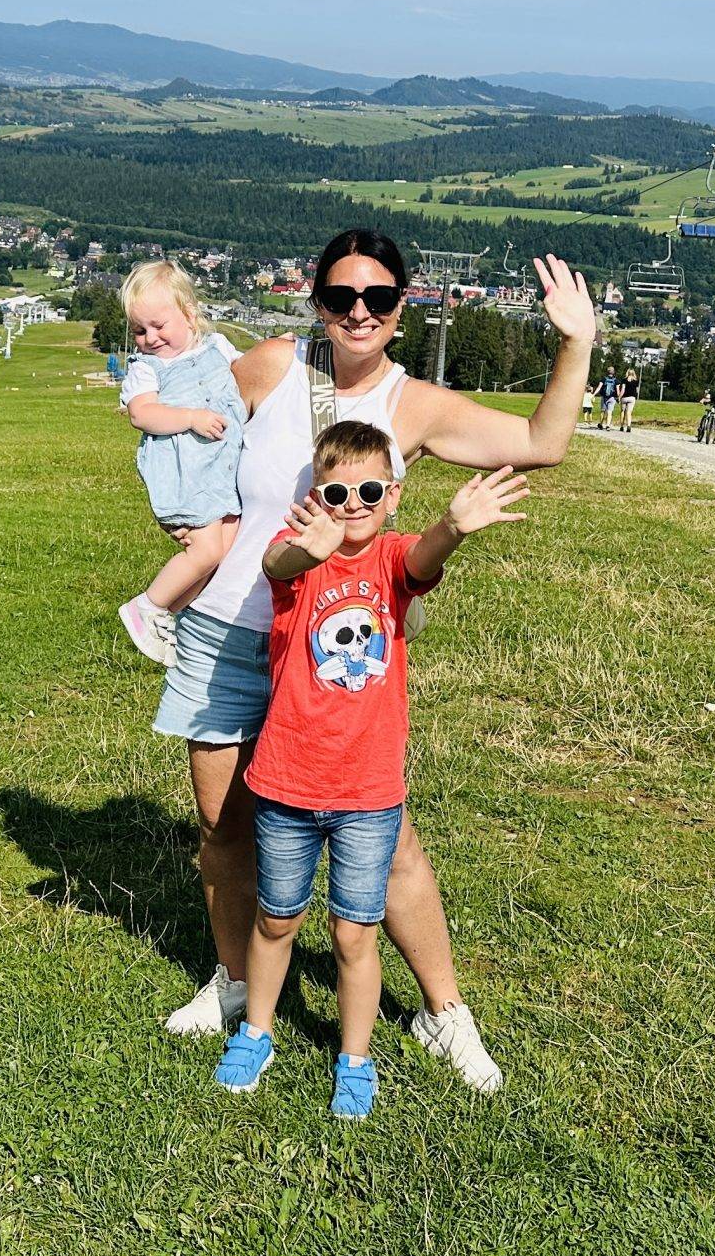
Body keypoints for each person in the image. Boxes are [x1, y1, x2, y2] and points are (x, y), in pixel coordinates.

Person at [154, 229, 596, 1095]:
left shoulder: (415, 403)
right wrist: (187, 519)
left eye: (380, 298)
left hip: (332, 652)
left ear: (402, 306)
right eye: (342, 296)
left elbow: (545, 441)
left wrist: (575, 341)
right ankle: (237, 984)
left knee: (386, 845)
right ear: (316, 300)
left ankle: (443, 1013)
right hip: (227, 631)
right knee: (224, 830)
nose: (359, 312)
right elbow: (188, 436)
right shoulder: (274, 363)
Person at [213, 423, 528, 1118]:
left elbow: (421, 560)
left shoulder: (391, 560)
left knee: (354, 933)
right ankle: (257, 1032)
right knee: (276, 921)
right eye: (335, 491)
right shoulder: (299, 559)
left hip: (367, 793)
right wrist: (307, 545)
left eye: (368, 490)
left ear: (392, 496)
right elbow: (279, 567)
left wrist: (453, 526)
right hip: (287, 786)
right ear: (315, 496)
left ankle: (354, 1056)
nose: (351, 503)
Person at [115, 261, 246, 663]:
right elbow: (142, 414)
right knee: (206, 552)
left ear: (189, 314)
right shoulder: (147, 370)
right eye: (140, 331)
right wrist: (189, 417)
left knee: (226, 548)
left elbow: (249, 372)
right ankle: (149, 606)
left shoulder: (217, 348)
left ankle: (175, 615)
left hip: (219, 473)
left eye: (158, 325)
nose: (150, 338)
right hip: (186, 476)